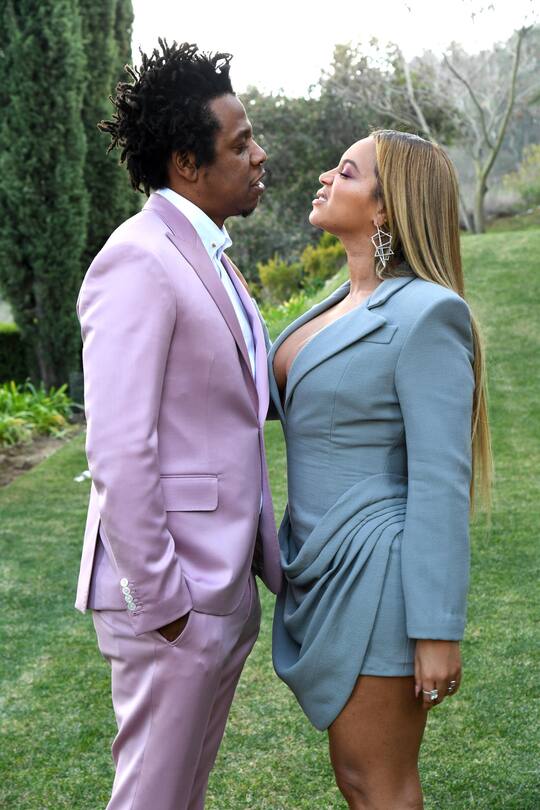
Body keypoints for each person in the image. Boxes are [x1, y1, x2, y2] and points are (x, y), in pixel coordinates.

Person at [75, 40, 281, 810]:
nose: (259, 156)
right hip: (173, 603)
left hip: (220, 589)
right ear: (188, 163)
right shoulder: (138, 259)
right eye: (241, 143)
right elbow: (118, 449)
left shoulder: (208, 255)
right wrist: (166, 609)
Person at [270, 130, 492, 809]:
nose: (324, 178)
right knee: (355, 778)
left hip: (377, 576)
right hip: (318, 568)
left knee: (378, 785)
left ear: (386, 207)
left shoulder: (430, 314)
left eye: (345, 172)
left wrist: (437, 630)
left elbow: (440, 482)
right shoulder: (337, 301)